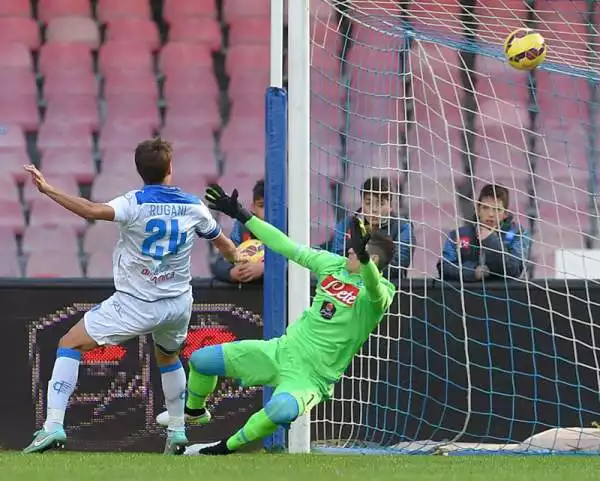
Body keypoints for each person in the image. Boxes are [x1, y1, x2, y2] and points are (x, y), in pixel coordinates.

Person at [22, 138, 237, 455]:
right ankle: (177, 432)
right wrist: (238, 259)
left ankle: (53, 425)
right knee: (168, 356)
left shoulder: (133, 203)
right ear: (170, 169)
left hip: (135, 303)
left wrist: (49, 189)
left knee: (70, 343)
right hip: (178, 303)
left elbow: (91, 210)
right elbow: (224, 245)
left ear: (140, 171)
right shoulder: (194, 206)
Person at [156, 183, 397, 456]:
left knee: (280, 410)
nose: (350, 250)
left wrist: (364, 260)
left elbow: (374, 287)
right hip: (282, 351)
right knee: (201, 360)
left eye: (356, 250)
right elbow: (283, 244)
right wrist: (242, 214)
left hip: (311, 378)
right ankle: (196, 412)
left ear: (372, 258)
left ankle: (222, 448)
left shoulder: (380, 294)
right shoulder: (332, 264)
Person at [437, 184, 531, 282]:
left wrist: (490, 240)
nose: (490, 214)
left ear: (505, 214)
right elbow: (443, 268)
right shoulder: (458, 235)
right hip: (468, 295)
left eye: (497, 209)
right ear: (478, 210)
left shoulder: (517, 234)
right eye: (485, 208)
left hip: (506, 295)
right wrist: (472, 272)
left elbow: (514, 271)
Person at [328, 177, 414, 280]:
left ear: (390, 205)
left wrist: (358, 268)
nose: (374, 209)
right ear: (362, 203)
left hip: (387, 288)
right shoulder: (346, 225)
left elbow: (398, 264)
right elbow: (337, 258)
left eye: (380, 203)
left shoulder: (403, 228)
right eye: (369, 203)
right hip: (350, 285)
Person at [211, 179, 265, 283]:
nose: (267, 212)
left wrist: (264, 269)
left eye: (273, 206)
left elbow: (302, 263)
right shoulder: (243, 227)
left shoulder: (293, 226)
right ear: (253, 207)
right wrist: (232, 272)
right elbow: (219, 263)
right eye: (261, 206)